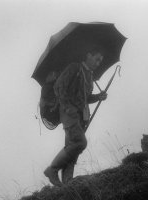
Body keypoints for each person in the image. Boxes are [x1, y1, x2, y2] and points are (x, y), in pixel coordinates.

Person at [44, 46, 107, 186]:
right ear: (88, 55)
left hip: (81, 116)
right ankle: (52, 169)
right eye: (96, 59)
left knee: (73, 148)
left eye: (100, 61)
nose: (98, 64)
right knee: (80, 143)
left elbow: (86, 98)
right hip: (68, 113)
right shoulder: (74, 68)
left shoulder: (89, 75)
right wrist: (68, 108)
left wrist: (98, 97)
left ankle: (67, 182)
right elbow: (58, 87)